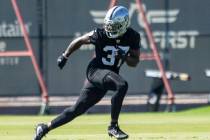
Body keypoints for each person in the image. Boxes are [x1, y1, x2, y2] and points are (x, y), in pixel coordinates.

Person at [34, 5, 141, 140]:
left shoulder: (133, 36)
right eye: (109, 25)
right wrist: (65, 55)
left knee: (77, 109)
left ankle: (44, 127)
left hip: (108, 76)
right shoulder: (100, 34)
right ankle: (113, 126)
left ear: (124, 24)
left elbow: (135, 62)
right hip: (96, 71)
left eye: (113, 26)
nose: (109, 29)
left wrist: (124, 56)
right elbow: (79, 41)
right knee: (122, 85)